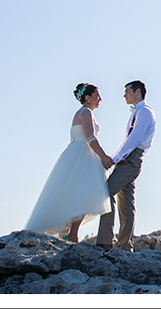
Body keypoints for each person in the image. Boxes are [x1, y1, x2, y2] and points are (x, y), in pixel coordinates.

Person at [25, 83, 114, 242]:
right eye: (96, 96)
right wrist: (103, 157)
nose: (100, 99)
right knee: (80, 193)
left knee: (79, 194)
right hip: (81, 155)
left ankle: (70, 232)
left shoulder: (85, 112)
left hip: (80, 153)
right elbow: (91, 138)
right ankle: (71, 233)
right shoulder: (85, 112)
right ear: (87, 98)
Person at [96, 79, 156, 251]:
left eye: (127, 91)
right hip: (128, 158)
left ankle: (105, 242)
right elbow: (129, 141)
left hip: (132, 159)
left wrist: (114, 159)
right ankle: (125, 246)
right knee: (126, 203)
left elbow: (134, 139)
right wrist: (116, 158)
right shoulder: (138, 112)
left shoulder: (145, 112)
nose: (124, 95)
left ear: (138, 92)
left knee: (107, 192)